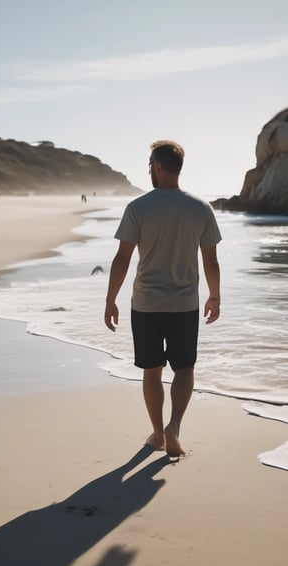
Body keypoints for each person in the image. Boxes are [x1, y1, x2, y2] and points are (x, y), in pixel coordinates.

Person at [104, 140, 221, 457]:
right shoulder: (200, 208)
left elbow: (123, 258)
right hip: (184, 305)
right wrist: (215, 296)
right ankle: (175, 428)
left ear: (156, 167)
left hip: (146, 305)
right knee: (184, 369)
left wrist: (110, 299)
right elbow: (210, 260)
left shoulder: (138, 208)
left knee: (152, 370)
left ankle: (157, 434)